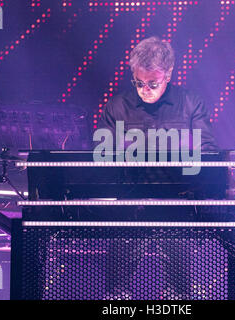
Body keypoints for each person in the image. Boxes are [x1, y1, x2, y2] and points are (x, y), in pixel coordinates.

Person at [97, 36, 220, 300]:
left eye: (153, 83)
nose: (145, 90)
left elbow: (207, 153)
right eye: (139, 83)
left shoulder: (190, 103)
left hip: (178, 205)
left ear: (169, 74)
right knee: (116, 294)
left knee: (178, 294)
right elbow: (102, 158)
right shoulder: (117, 106)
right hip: (130, 204)